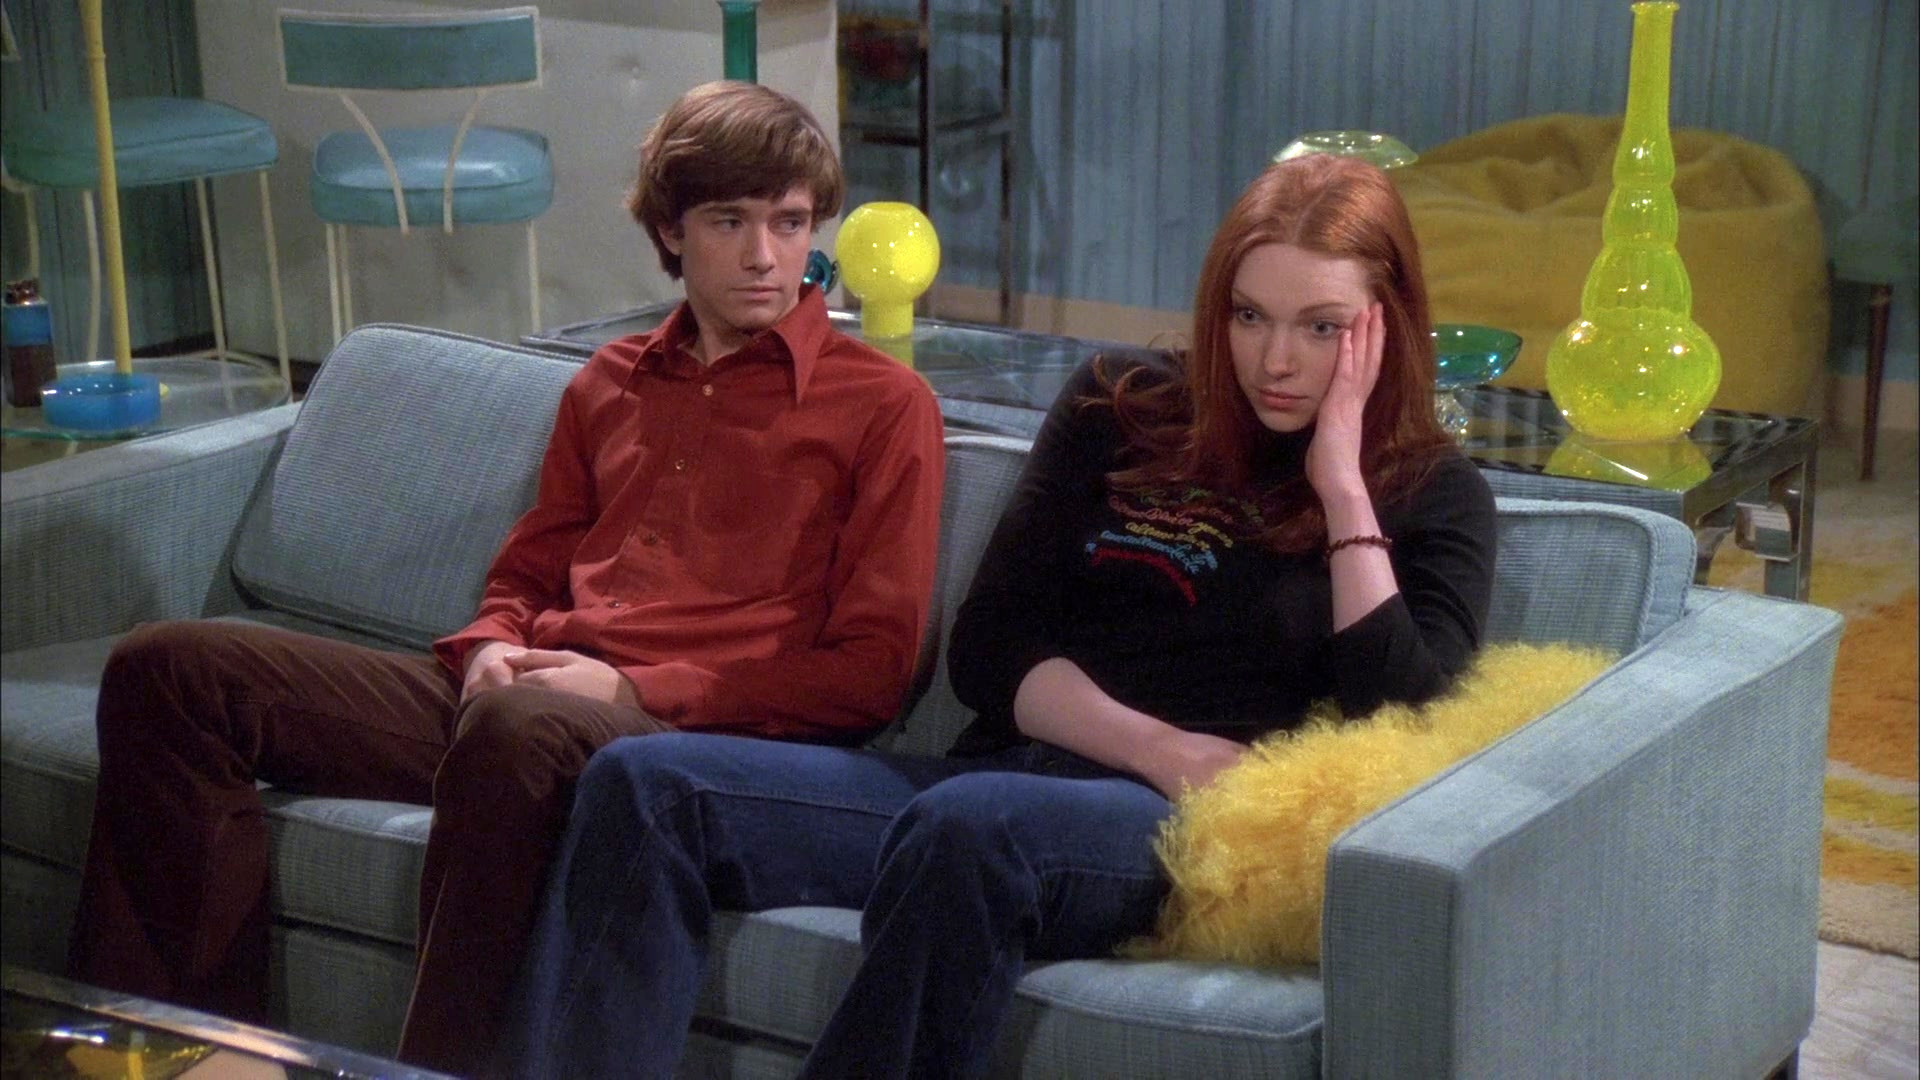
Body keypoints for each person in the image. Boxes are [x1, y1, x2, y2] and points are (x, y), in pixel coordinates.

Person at [499, 152, 1497, 1079]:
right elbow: (989, 649)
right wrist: (1159, 746)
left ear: (1386, 325)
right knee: (647, 784)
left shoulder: (1431, 495)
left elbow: (1406, 724)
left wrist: (1343, 489)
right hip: (1008, 782)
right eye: (1249, 316)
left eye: (1321, 328)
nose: (1275, 358)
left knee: (972, 827)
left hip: (1183, 834)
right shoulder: (1120, 404)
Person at [66, 80, 946, 1076]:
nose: (764, 256)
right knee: (171, 671)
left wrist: (631, 689)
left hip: (687, 741)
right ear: (671, 230)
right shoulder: (609, 381)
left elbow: (870, 671)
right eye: (729, 221)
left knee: (518, 731)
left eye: (789, 223)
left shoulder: (884, 405)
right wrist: (491, 641)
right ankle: (179, 1059)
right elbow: (529, 567)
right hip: (526, 702)